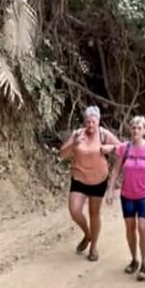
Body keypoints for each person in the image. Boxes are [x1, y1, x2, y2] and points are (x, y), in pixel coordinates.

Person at [59, 106, 120, 262]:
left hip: (99, 179)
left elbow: (122, 148)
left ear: (98, 121)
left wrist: (111, 148)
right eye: (88, 122)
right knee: (74, 210)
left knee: (94, 213)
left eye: (93, 122)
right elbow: (62, 154)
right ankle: (87, 234)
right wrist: (73, 145)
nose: (90, 125)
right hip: (79, 178)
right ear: (84, 121)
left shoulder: (103, 134)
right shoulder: (77, 134)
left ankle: (93, 248)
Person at [107, 116, 145, 281]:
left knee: (142, 227)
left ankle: (144, 263)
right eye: (133, 127)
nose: (136, 130)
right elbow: (116, 170)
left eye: (139, 128)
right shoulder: (125, 148)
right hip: (127, 195)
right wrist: (110, 190)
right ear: (130, 130)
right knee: (130, 228)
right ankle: (134, 260)